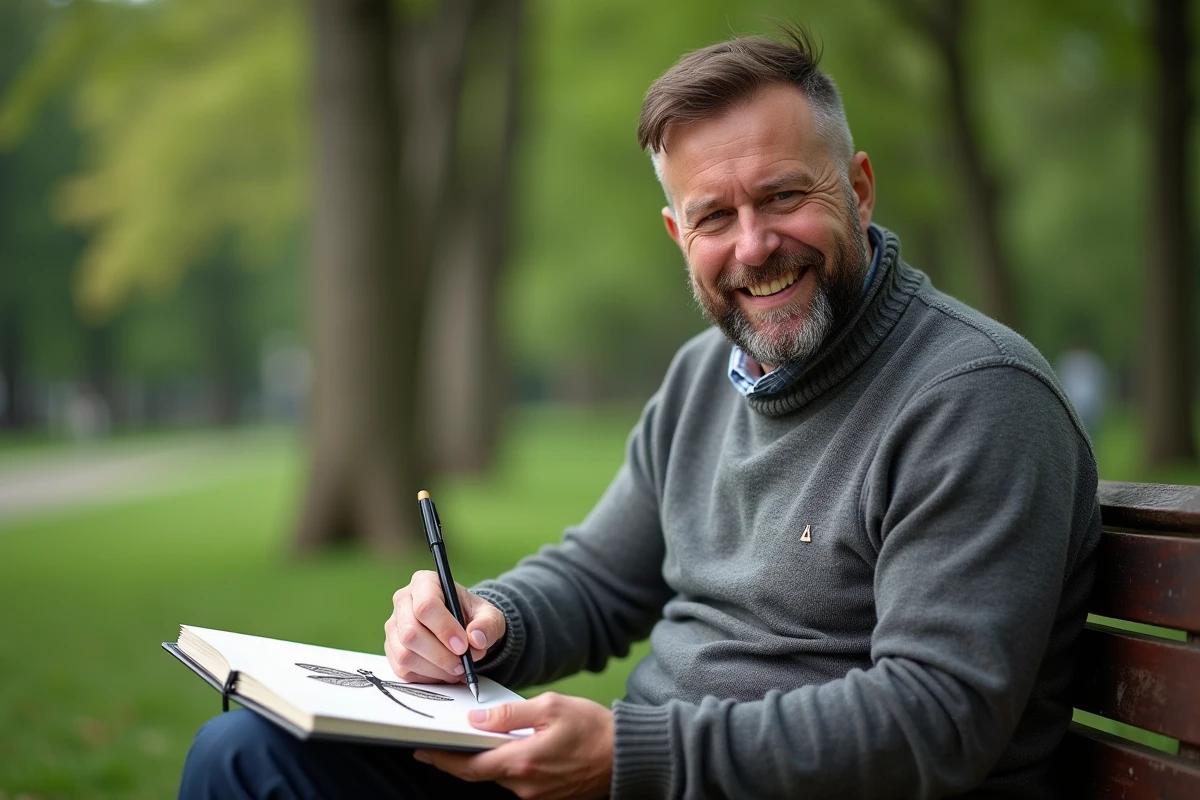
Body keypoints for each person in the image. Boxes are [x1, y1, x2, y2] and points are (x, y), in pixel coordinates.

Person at [179, 27, 1100, 799]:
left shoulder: (974, 398)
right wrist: (488, 619)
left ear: (858, 189)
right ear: (677, 234)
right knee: (247, 756)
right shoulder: (706, 377)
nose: (754, 246)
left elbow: (936, 718)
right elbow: (599, 578)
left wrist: (633, 756)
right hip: (652, 775)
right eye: (714, 217)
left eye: (784, 196)